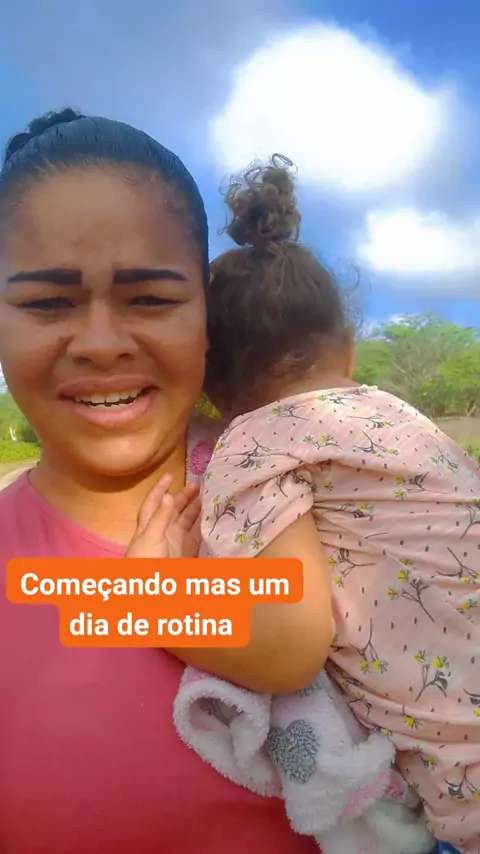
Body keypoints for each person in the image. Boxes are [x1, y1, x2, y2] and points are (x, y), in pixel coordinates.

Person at [0, 112, 319, 854]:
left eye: (149, 298)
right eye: (47, 303)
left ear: (207, 311)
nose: (101, 343)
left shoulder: (315, 486)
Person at [182, 157, 478, 854]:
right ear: (345, 346)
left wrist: (135, 598)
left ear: (210, 392)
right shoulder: (409, 423)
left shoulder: (253, 443)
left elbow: (287, 649)